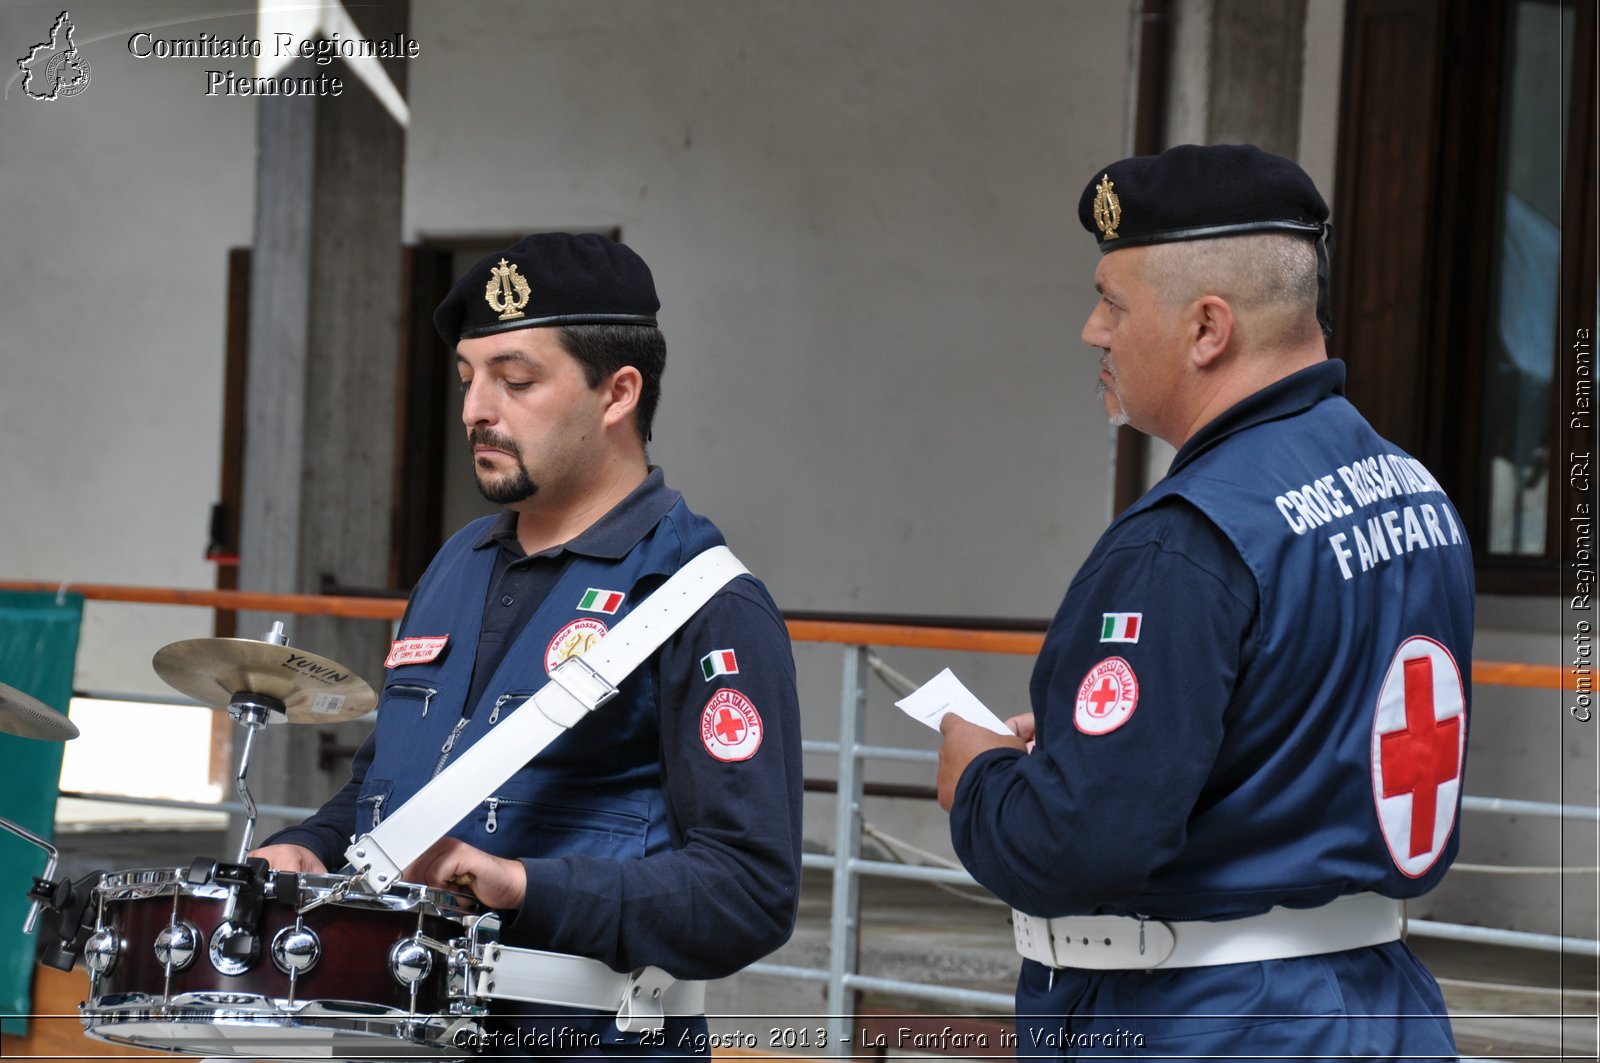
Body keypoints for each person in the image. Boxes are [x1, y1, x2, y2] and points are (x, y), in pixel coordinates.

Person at [935, 145, 1474, 1059]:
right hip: (1379, 1007)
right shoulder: (1414, 491)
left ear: (1207, 328)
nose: (1092, 331)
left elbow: (1077, 846)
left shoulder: (1187, 543)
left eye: (1113, 301)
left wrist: (977, 779)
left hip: (1207, 1020)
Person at [254, 232, 804, 1057]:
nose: (477, 407)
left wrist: (522, 885)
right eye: (468, 378)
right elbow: (386, 787)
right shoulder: (457, 562)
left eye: (516, 380)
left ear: (618, 392)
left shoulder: (706, 602)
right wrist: (313, 844)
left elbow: (749, 892)